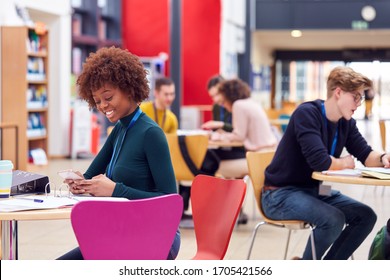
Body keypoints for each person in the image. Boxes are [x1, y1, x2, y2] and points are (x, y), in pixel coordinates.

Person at [57, 46, 180, 260]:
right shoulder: (120, 130)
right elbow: (90, 175)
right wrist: (80, 182)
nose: (103, 106)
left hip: (158, 237)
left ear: (129, 89)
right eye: (97, 101)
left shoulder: (151, 134)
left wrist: (116, 190)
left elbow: (170, 204)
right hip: (123, 231)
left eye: (108, 97)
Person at [262, 66, 388, 260]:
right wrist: (344, 163)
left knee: (366, 216)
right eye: (356, 97)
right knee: (333, 219)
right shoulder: (307, 113)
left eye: (361, 98)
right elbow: (320, 161)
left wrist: (382, 158)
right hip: (280, 193)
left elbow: (366, 154)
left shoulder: (346, 122)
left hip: (315, 191)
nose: (359, 104)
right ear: (338, 92)